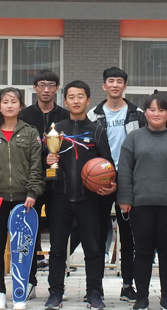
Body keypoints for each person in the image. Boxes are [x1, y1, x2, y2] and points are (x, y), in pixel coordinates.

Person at [118, 94, 167, 310]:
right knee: (142, 251)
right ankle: (142, 297)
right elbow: (125, 170)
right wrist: (125, 197)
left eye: (161, 109)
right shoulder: (134, 138)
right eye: (151, 109)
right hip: (140, 205)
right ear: (145, 113)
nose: (156, 113)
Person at [43, 80, 114, 310]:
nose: (76, 101)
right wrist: (48, 160)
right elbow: (44, 165)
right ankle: (55, 292)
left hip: (89, 200)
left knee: (93, 249)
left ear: (88, 100)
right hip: (60, 198)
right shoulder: (55, 130)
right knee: (57, 249)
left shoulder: (97, 130)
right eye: (71, 97)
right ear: (65, 101)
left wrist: (110, 184)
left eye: (80, 96)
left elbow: (108, 165)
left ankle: (94, 292)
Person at [0, 88, 44, 310]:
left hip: (23, 200)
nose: (9, 105)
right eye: (5, 101)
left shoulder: (30, 132)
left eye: (13, 101)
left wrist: (32, 192)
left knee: (23, 247)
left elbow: (36, 166)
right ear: (0, 105)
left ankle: (21, 291)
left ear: (20, 106)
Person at [86, 67, 145, 302]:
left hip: (129, 179)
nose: (115, 85)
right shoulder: (93, 115)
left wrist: (124, 180)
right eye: (111, 81)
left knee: (129, 236)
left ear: (125, 86)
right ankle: (95, 287)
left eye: (119, 81)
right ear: (104, 85)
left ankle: (128, 285)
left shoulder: (137, 114)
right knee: (98, 235)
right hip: (100, 179)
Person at [19, 69, 70, 295]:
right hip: (31, 183)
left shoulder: (65, 116)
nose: (46, 89)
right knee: (29, 233)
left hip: (58, 184)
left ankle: (56, 286)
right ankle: (29, 281)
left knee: (58, 236)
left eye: (51, 85)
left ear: (57, 89)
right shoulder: (24, 116)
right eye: (42, 85)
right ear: (35, 88)